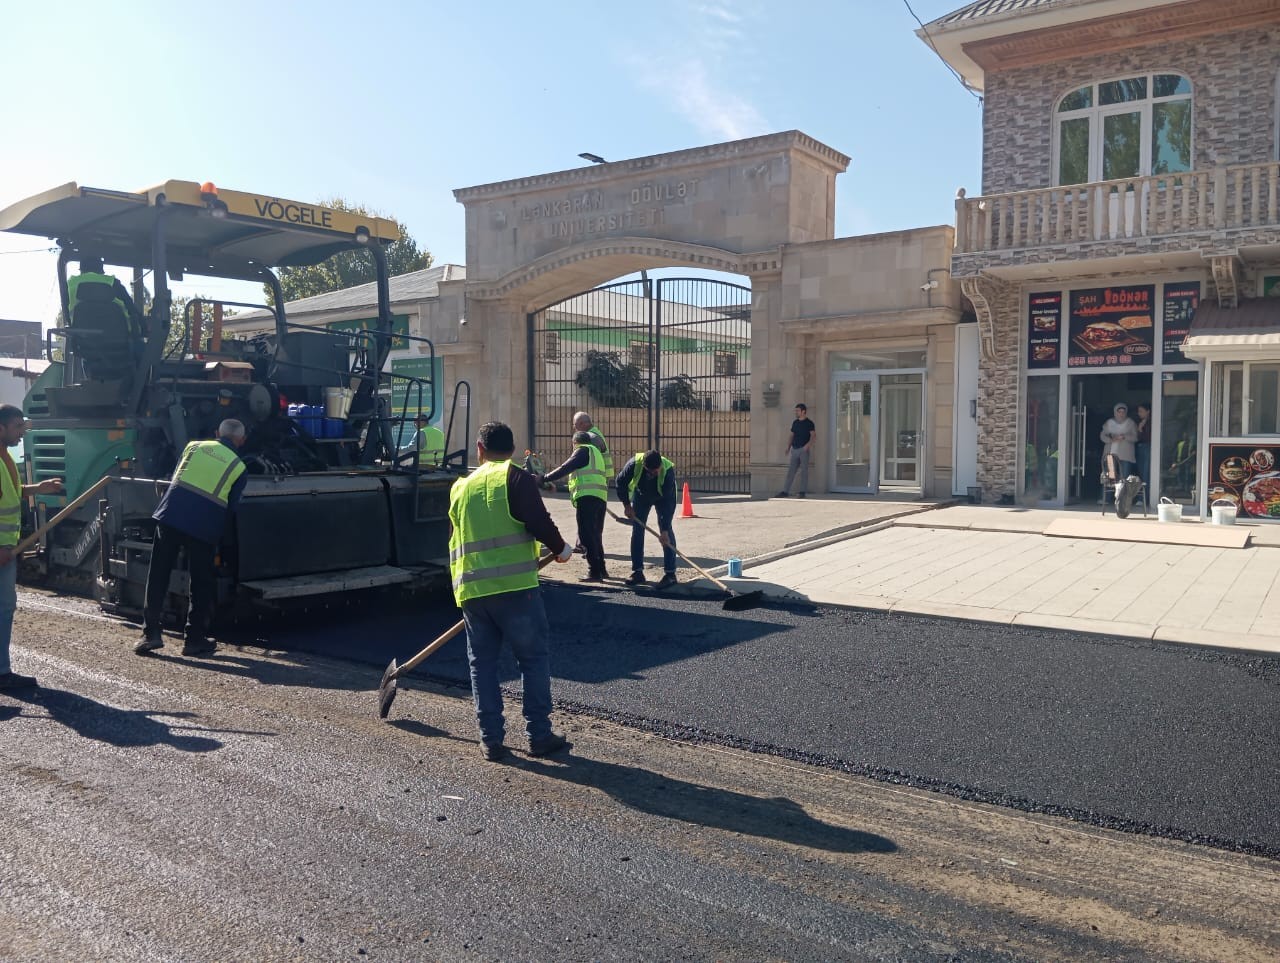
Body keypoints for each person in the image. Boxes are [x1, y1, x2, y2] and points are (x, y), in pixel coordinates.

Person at [449, 421, 573, 762]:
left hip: (473, 591)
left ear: (479, 449)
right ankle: (539, 735)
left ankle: (490, 740)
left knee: (482, 666)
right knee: (532, 660)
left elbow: (454, 537)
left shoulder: (460, 487)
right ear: (512, 449)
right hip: (517, 590)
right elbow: (537, 519)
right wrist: (561, 549)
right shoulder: (516, 477)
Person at [135, 419, 249, 658]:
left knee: (158, 574)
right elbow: (231, 509)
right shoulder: (239, 467)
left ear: (217, 433)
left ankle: (150, 634)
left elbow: (178, 476)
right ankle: (194, 640)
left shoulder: (193, 446)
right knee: (200, 583)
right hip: (204, 526)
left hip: (171, 516)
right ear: (242, 441)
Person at [0, 405, 64, 689]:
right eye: (17, 428)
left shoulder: (5, 458)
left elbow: (10, 493)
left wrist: (38, 487)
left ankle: (2, 672)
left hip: (7, 549)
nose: (22, 433)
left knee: (4, 608)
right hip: (1, 549)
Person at [539, 431, 609, 582]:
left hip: (587, 498)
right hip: (600, 497)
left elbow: (566, 467)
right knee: (595, 534)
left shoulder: (582, 450)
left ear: (575, 443)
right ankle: (602, 569)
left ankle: (594, 572)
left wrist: (544, 478)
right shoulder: (596, 453)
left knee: (586, 535)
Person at [615, 449, 678, 590]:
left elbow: (669, 503)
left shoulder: (667, 471)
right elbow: (620, 482)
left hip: (663, 497)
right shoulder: (634, 464)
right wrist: (626, 505)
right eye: (651, 472)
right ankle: (637, 572)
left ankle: (670, 574)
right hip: (641, 496)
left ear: (660, 464)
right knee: (637, 531)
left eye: (657, 471)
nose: (655, 473)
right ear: (644, 466)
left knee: (666, 534)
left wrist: (665, 529)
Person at [777, 403, 815, 498]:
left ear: (803, 411)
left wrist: (807, 446)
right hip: (794, 449)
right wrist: (788, 447)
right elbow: (791, 435)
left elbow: (813, 436)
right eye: (796, 410)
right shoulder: (795, 423)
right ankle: (785, 491)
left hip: (803, 450)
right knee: (791, 471)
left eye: (798, 410)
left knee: (804, 471)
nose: (796, 412)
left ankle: (802, 492)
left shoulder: (809, 423)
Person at [1100, 402, 1138, 481]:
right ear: (1115, 412)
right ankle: (1109, 494)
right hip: (1110, 455)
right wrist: (1111, 439)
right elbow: (1102, 436)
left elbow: (1135, 437)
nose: (1121, 414)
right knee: (1110, 479)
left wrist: (1124, 437)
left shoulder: (1130, 423)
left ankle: (1122, 494)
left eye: (1123, 412)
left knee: (1124, 479)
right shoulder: (1109, 423)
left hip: (1125, 456)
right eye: (1119, 411)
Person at [1135, 403, 1152, 488]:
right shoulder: (1140, 422)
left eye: (1141, 411)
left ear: (1148, 411)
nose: (1139, 413)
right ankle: (1142, 497)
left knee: (1146, 473)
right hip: (1140, 447)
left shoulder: (1152, 422)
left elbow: (1148, 437)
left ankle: (1144, 497)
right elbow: (1137, 438)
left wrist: (1141, 429)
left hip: (1148, 447)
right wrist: (1139, 429)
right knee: (1141, 473)